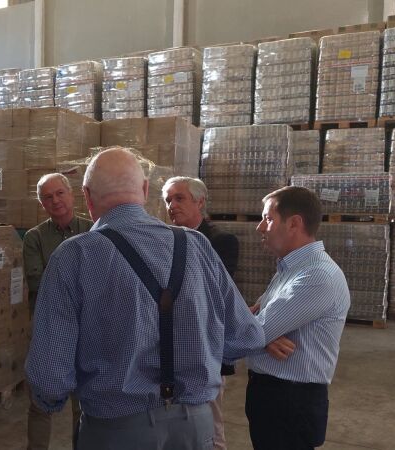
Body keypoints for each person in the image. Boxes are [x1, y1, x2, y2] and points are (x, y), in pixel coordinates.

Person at [25, 147, 267, 450]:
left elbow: (49, 379)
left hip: (116, 431)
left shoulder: (73, 256)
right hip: (195, 426)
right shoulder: (196, 245)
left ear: (86, 195)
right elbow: (246, 337)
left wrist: (52, 401)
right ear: (144, 189)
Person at [246, 186, 350, 450]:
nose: (260, 227)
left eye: (268, 219)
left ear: (294, 223)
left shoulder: (315, 276)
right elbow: (253, 319)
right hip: (275, 395)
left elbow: (248, 332)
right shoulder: (290, 268)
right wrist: (263, 337)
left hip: (289, 402)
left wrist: (258, 334)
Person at [162, 176, 240, 450]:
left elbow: (214, 292)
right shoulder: (165, 241)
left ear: (200, 201)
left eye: (179, 198)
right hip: (171, 347)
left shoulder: (221, 241)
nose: (172, 205)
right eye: (168, 200)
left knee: (210, 427)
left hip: (206, 347)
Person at [23, 173, 92, 450]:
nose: (55, 200)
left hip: (87, 328)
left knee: (84, 402)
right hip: (49, 329)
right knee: (41, 400)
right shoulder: (34, 238)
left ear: (72, 194)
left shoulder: (94, 230)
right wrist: (81, 285)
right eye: (48, 197)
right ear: (42, 204)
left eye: (60, 193)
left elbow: (102, 280)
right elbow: (37, 282)